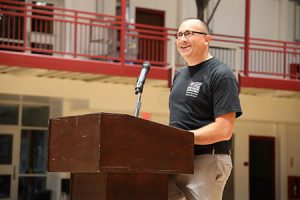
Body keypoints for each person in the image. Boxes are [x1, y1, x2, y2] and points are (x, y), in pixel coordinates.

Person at [168, 18, 243, 200]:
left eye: (189, 34)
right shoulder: (178, 75)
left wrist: (182, 139)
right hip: (175, 159)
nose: (183, 39)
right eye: (179, 35)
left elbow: (224, 130)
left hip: (207, 160)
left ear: (207, 39)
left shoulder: (221, 74)